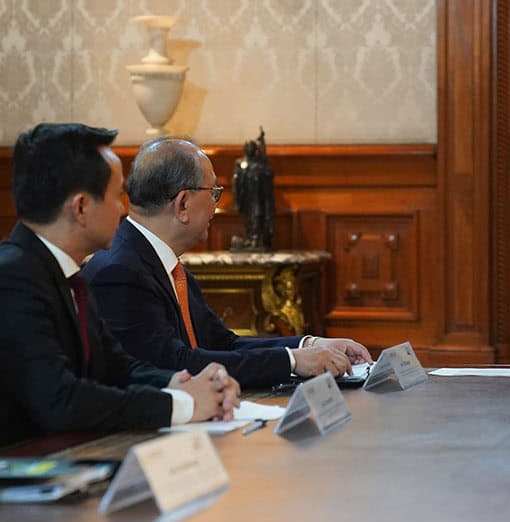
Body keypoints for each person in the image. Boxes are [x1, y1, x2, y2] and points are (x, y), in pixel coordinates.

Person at [0, 123, 240, 447]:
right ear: (81, 207)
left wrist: (183, 383)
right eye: (116, 196)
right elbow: (61, 400)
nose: (123, 209)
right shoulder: (14, 277)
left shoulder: (67, 273)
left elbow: (119, 368)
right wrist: (183, 404)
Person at [83, 137, 374, 388]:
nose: (216, 205)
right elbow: (175, 364)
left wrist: (309, 345)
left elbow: (223, 344)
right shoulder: (120, 272)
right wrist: (293, 361)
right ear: (183, 204)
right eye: (213, 193)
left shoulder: (165, 264)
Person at [231, 127, 275, 250]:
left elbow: (264, 159)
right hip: (245, 196)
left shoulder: (258, 163)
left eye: (252, 147)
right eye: (248, 147)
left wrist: (262, 140)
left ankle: (256, 238)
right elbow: (236, 181)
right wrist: (237, 199)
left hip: (257, 197)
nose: (250, 149)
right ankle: (250, 238)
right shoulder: (240, 163)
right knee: (248, 218)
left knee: (257, 216)